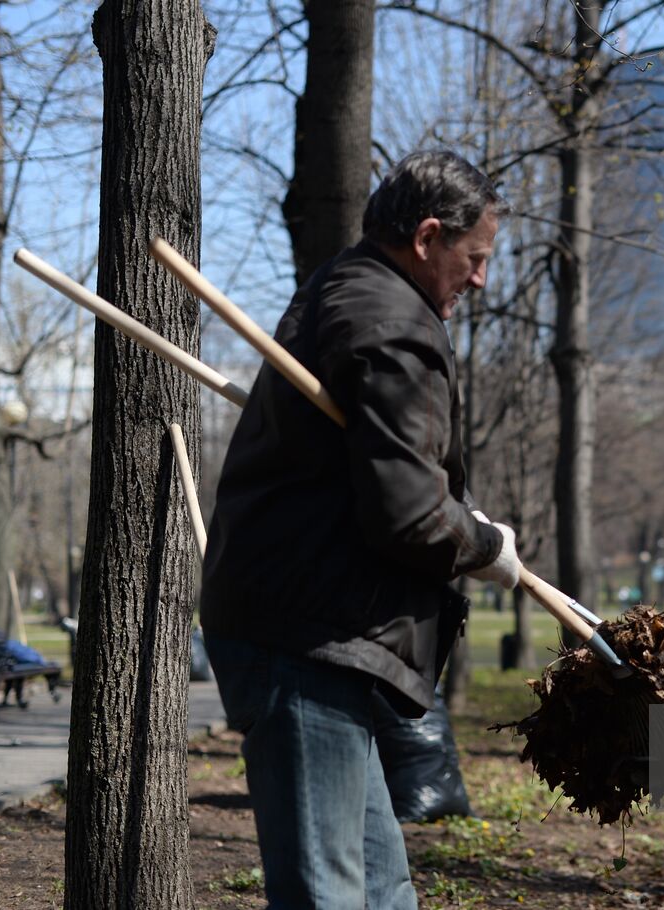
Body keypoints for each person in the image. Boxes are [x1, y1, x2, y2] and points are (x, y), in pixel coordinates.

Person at [200, 150, 520, 910]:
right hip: (305, 639)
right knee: (331, 895)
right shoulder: (392, 328)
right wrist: (482, 546)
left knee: (381, 889)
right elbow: (409, 513)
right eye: (473, 259)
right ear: (427, 237)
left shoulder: (348, 290)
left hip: (312, 630)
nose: (479, 279)